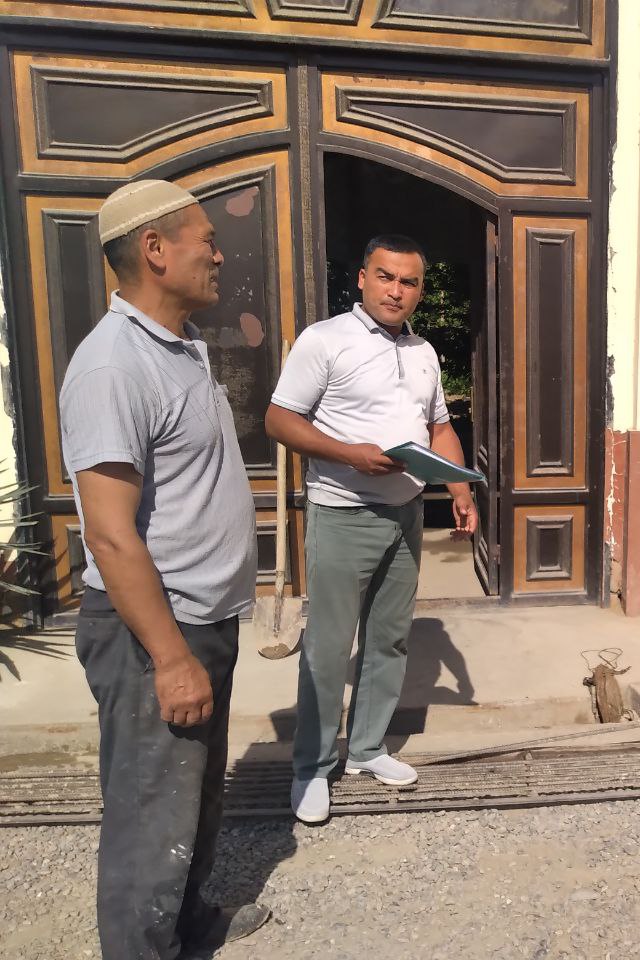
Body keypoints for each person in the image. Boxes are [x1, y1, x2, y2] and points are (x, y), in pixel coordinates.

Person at [60, 179, 270, 959]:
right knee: (151, 818)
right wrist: (172, 659)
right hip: (155, 633)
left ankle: (189, 925)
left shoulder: (177, 347)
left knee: (194, 801)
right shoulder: (114, 367)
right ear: (154, 249)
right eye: (205, 239)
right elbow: (111, 536)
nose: (218, 255)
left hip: (199, 619)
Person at [266, 233, 477, 824]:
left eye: (409, 282)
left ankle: (365, 749)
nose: (396, 290)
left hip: (405, 513)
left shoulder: (424, 352)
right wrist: (349, 454)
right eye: (385, 277)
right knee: (329, 648)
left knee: (390, 639)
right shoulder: (325, 340)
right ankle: (312, 768)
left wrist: (460, 490)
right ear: (362, 278)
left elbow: (439, 427)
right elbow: (279, 419)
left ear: (419, 290)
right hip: (341, 512)